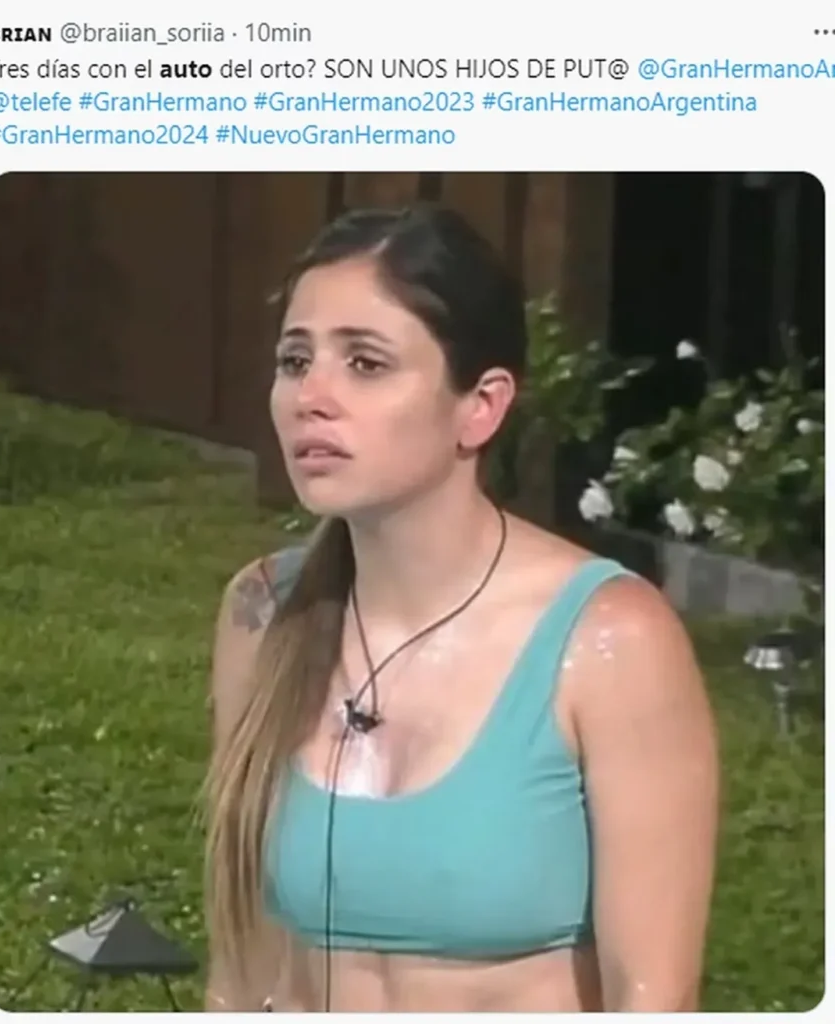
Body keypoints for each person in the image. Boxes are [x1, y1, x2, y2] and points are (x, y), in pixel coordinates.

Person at [204, 204, 719, 1012]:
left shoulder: (610, 640)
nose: (311, 396)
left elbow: (653, 996)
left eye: (365, 363)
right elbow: (241, 966)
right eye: (294, 360)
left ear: (480, 405)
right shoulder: (265, 613)